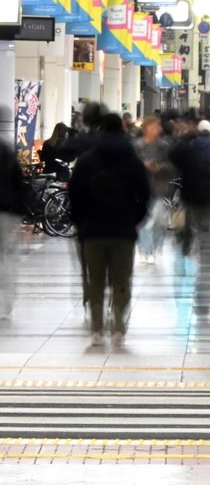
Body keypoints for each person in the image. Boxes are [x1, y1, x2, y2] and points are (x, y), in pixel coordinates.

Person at [68, 114, 150, 346]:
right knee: (121, 278)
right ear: (122, 129)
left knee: (95, 280)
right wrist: (134, 219)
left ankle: (96, 328)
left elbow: (74, 195)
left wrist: (81, 222)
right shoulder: (133, 160)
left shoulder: (86, 161)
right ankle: (118, 327)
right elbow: (144, 195)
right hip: (123, 230)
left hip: (92, 230)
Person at [169, 119, 210, 256]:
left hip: (190, 181)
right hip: (208, 180)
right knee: (206, 205)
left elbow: (176, 156)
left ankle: (189, 234)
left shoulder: (192, 143)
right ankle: (203, 225)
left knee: (189, 208)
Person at [134, 115, 174, 263]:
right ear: (145, 128)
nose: (156, 129)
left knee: (159, 222)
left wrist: (160, 166)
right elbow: (131, 164)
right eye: (153, 126)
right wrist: (143, 164)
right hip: (141, 188)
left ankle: (155, 247)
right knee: (143, 220)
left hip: (160, 187)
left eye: (157, 126)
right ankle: (145, 250)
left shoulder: (164, 146)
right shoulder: (137, 146)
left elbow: (172, 166)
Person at [0, 135, 24, 321]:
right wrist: (20, 211)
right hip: (8, 212)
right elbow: (20, 184)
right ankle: (6, 304)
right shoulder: (8, 151)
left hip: (7, 210)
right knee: (8, 258)